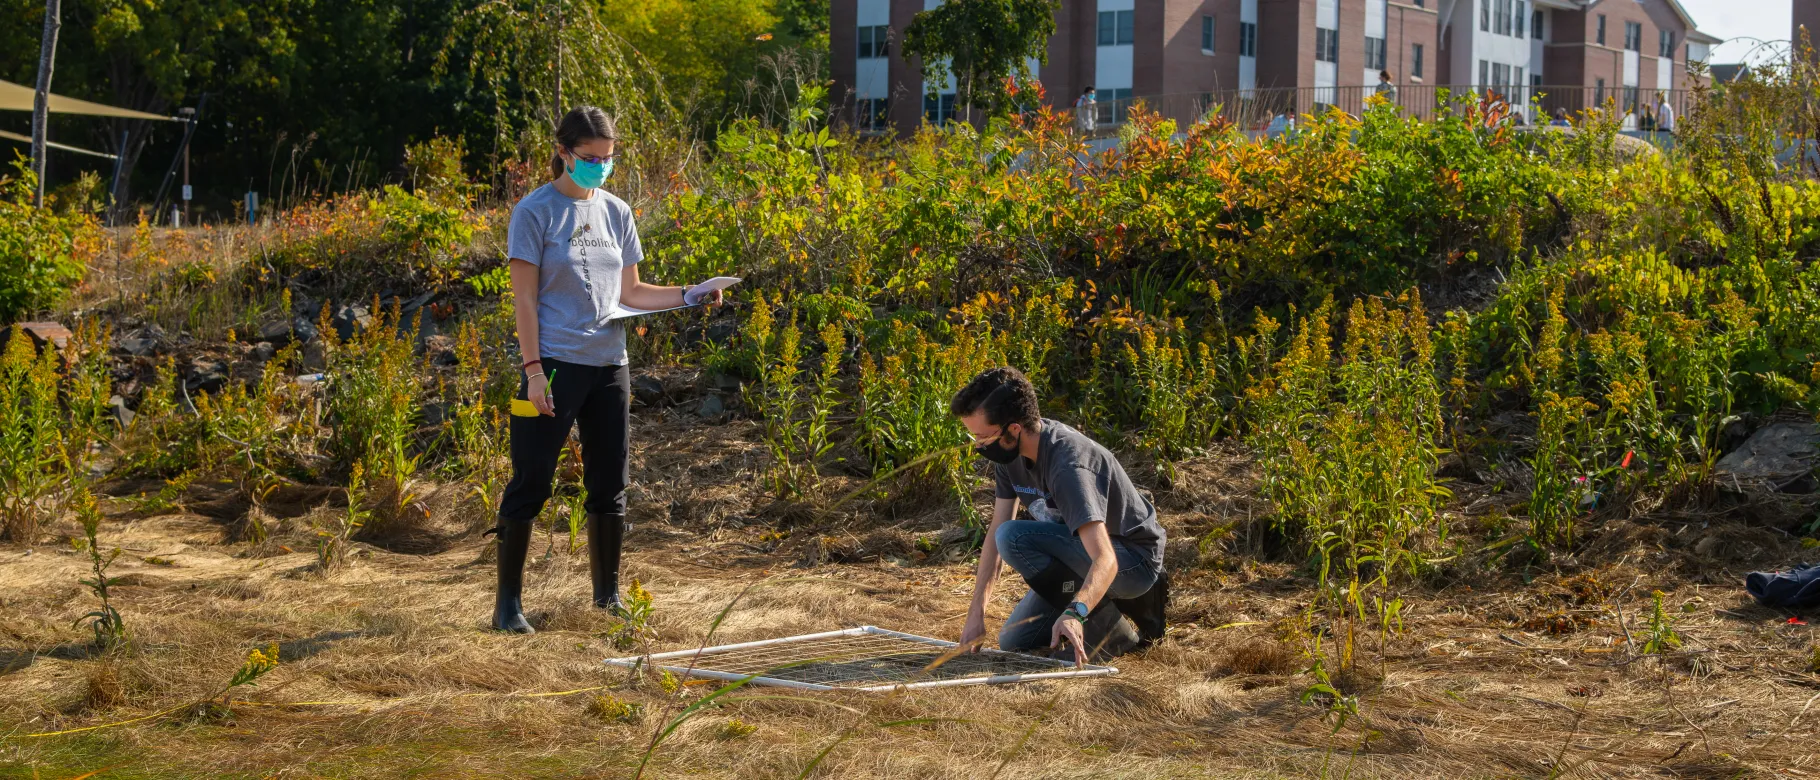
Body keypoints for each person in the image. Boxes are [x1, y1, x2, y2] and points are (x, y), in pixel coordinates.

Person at [490, 106, 723, 634]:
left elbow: (631, 292)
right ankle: (508, 606)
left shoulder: (617, 212)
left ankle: (608, 597)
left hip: (608, 365)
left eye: (607, 159)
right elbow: (524, 301)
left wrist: (690, 295)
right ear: (563, 152)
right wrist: (531, 370)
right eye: (589, 158)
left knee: (609, 481)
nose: (599, 167)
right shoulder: (535, 212)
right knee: (531, 478)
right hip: (550, 365)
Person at [952, 367, 1169, 665]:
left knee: (1013, 537)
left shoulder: (1068, 467)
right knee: (1015, 640)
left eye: (983, 437)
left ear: (1013, 429)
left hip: (1132, 561)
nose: (978, 446)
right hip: (1076, 556)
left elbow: (1106, 559)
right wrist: (976, 610)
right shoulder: (1009, 456)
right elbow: (994, 531)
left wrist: (1075, 613)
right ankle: (1107, 620)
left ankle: (1109, 629)